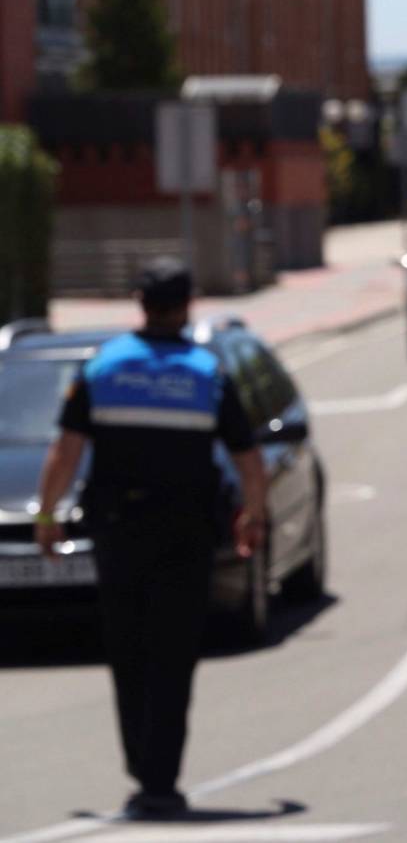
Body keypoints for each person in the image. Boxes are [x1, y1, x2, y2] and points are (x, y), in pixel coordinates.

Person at [35, 257, 267, 818]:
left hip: (119, 534)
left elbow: (65, 452)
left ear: (140, 303)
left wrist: (47, 515)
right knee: (174, 653)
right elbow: (248, 458)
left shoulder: (104, 367)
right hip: (186, 536)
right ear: (187, 306)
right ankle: (161, 777)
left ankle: (143, 766)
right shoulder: (207, 373)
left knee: (128, 649)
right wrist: (253, 516)